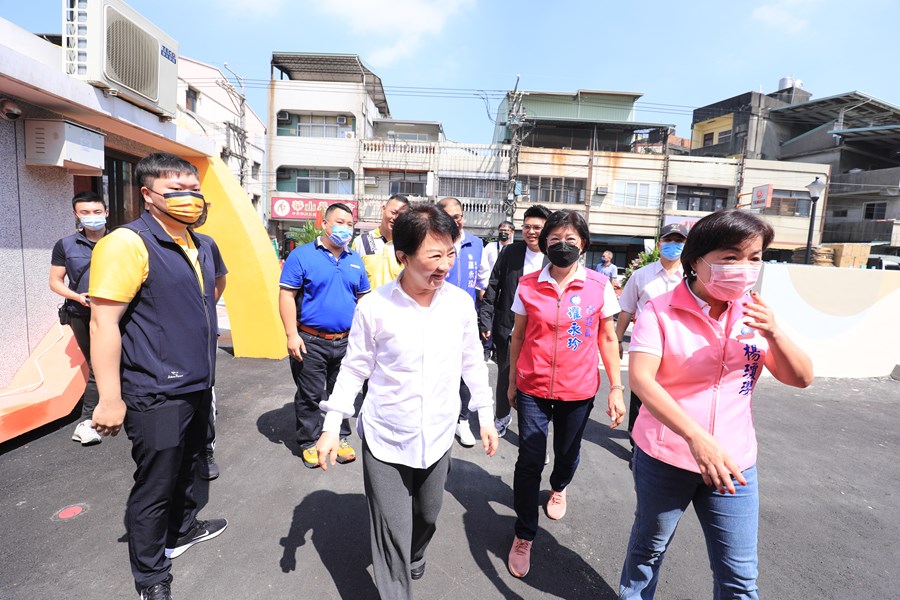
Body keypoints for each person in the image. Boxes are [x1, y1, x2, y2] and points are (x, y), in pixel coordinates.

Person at [618, 209, 814, 599]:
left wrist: (774, 331)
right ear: (696, 261)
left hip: (733, 462)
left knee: (739, 576)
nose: (744, 268)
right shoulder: (660, 310)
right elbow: (641, 379)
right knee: (648, 550)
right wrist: (695, 437)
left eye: (754, 258)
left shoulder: (755, 312)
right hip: (666, 456)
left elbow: (801, 377)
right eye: (730, 258)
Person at [316, 203, 499, 600]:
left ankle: (416, 552)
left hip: (437, 433)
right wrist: (332, 427)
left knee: (427, 516)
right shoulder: (375, 307)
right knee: (390, 533)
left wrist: (484, 413)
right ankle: (396, 585)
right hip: (385, 437)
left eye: (450, 253)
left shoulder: (459, 304)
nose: (445, 265)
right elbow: (353, 370)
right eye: (434, 256)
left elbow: (472, 362)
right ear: (403, 256)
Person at [89, 153, 227, 600]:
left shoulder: (202, 244)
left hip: (197, 385)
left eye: (193, 189)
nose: (189, 199)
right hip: (156, 391)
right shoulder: (127, 243)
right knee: (156, 483)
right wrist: (109, 398)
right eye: (175, 191)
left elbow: (212, 291)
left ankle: (182, 531)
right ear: (147, 196)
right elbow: (103, 323)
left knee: (190, 466)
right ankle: (151, 577)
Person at [506, 209, 625, 578]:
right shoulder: (528, 284)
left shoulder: (598, 285)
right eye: (555, 240)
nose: (563, 246)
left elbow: (607, 337)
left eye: (571, 240)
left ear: (583, 244)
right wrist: (511, 381)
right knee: (529, 459)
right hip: (533, 386)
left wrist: (617, 388)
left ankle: (558, 487)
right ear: (545, 245)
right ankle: (524, 533)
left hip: (578, 389)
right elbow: (519, 336)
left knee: (567, 454)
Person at [278, 203, 370, 469]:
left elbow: (363, 298)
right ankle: (308, 441)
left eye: (350, 224)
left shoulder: (354, 259)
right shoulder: (303, 256)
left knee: (341, 392)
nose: (345, 228)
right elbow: (287, 295)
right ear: (325, 224)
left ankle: (339, 437)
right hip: (311, 340)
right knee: (310, 394)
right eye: (339, 222)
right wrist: (291, 335)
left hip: (346, 341)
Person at [478, 205, 550, 437]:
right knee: (506, 375)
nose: (531, 232)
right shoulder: (511, 252)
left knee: (538, 381)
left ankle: (534, 431)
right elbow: (494, 285)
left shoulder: (554, 256)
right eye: (527, 227)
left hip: (542, 331)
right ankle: (502, 416)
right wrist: (486, 320)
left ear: (547, 229)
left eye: (537, 227)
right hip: (510, 327)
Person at [615, 223, 688, 442]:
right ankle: (637, 441)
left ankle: (670, 437)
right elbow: (626, 309)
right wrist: (617, 340)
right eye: (668, 240)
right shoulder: (641, 275)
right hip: (645, 345)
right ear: (659, 244)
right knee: (642, 390)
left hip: (680, 345)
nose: (673, 245)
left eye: (679, 241)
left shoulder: (692, 277)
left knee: (674, 393)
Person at [49, 191, 108, 446]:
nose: (91, 217)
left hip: (121, 313)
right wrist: (76, 296)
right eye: (85, 213)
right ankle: (86, 423)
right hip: (81, 314)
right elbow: (55, 282)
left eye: (96, 212)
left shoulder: (122, 240)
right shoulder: (66, 245)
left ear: (106, 212)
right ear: (76, 214)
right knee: (97, 365)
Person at [436, 197, 483, 448]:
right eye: (451, 217)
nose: (457, 221)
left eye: (460, 216)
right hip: (434, 318)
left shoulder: (476, 244)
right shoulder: (433, 242)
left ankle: (462, 419)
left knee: (466, 371)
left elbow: (483, 283)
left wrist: (483, 319)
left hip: (465, 319)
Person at [189, 202, 228, 480]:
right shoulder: (142, 241)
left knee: (205, 394)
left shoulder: (207, 244)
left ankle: (204, 451)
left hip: (203, 337)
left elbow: (219, 280)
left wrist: (204, 309)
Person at [353, 194, 410, 289]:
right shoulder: (361, 241)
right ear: (383, 209)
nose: (395, 218)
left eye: (401, 215)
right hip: (368, 303)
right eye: (393, 212)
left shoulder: (408, 245)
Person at [476, 220, 514, 292]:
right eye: (501, 230)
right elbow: (482, 267)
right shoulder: (490, 246)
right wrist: (482, 287)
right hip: (489, 286)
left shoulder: (514, 249)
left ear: (512, 232)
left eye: (506, 230)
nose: (503, 233)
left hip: (506, 288)